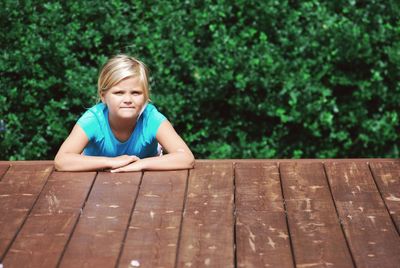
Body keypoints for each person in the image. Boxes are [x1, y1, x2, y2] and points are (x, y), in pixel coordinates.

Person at [54, 54, 194, 172]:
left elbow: (186, 158)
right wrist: (111, 162)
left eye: (136, 93)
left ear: (146, 96)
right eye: (119, 93)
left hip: (146, 185)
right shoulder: (94, 119)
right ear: (103, 96)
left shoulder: (151, 118)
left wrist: (140, 164)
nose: (128, 100)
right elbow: (61, 160)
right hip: (95, 187)